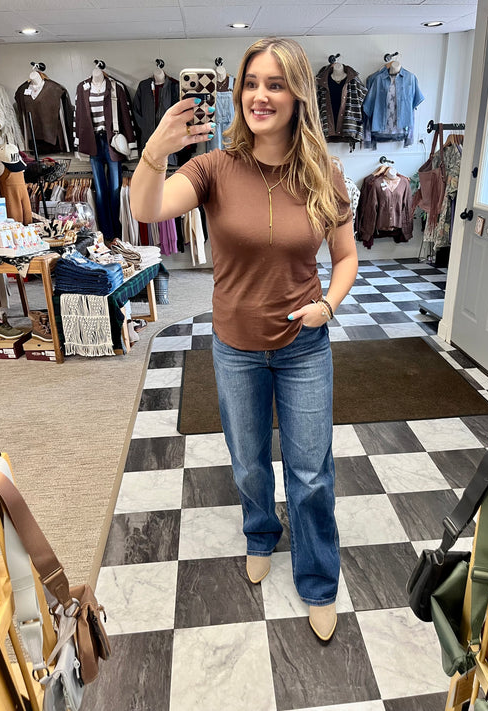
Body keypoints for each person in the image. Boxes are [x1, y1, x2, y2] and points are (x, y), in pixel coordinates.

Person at [130, 37, 358, 641]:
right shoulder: (214, 168)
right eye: (251, 83)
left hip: (304, 346)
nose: (260, 95)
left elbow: (346, 258)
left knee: (311, 471)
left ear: (298, 95)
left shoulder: (324, 174)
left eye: (275, 84)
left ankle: (318, 578)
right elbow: (148, 210)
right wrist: (157, 149)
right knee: (250, 461)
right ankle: (260, 534)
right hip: (235, 348)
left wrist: (328, 306)